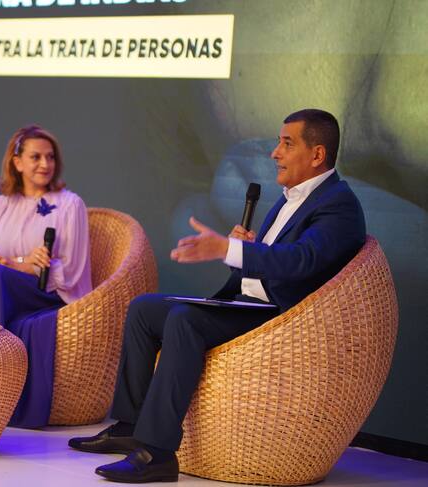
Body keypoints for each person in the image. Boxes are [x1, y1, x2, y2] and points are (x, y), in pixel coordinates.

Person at [69, 109, 366, 483]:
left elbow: (302, 261)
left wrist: (229, 249)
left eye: (287, 144)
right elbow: (276, 260)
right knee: (144, 309)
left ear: (317, 154)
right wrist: (243, 252)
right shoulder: (291, 197)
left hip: (282, 318)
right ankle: (130, 425)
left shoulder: (338, 203)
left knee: (185, 320)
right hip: (250, 303)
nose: (275, 153)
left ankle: (157, 453)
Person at [0, 124, 92, 428]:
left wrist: (19, 266)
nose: (45, 164)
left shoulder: (70, 204)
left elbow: (72, 270)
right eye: (36, 157)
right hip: (4, 286)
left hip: (47, 293)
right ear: (17, 163)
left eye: (50, 157)